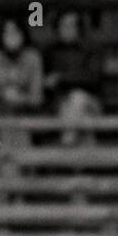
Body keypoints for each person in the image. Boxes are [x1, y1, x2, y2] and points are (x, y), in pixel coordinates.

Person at [45, 11, 104, 145]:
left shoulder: (92, 49)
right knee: (84, 122)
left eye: (72, 25)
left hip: (91, 103)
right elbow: (45, 82)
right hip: (60, 105)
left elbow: (93, 78)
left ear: (79, 28)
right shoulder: (50, 51)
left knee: (78, 98)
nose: (67, 29)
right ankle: (83, 163)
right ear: (57, 28)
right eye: (63, 25)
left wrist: (61, 78)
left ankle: (67, 143)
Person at [0, 18, 44, 113]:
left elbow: (37, 96)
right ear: (0, 36)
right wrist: (3, 96)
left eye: (15, 32)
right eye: (7, 33)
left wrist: (21, 98)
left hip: (27, 113)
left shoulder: (33, 57)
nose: (11, 37)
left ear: (23, 35)